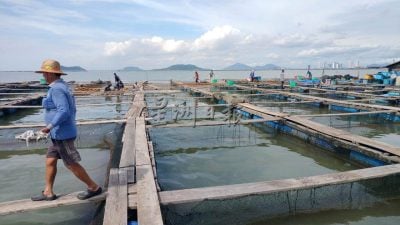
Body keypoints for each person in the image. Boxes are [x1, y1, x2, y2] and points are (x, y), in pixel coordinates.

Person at [31, 59, 102, 201]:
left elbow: (64, 111)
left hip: (62, 134)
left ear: (50, 74)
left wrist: (49, 126)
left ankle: (94, 187)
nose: (43, 75)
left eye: (45, 73)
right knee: (50, 161)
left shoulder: (57, 89)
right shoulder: (62, 86)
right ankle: (48, 192)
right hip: (57, 134)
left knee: (71, 163)